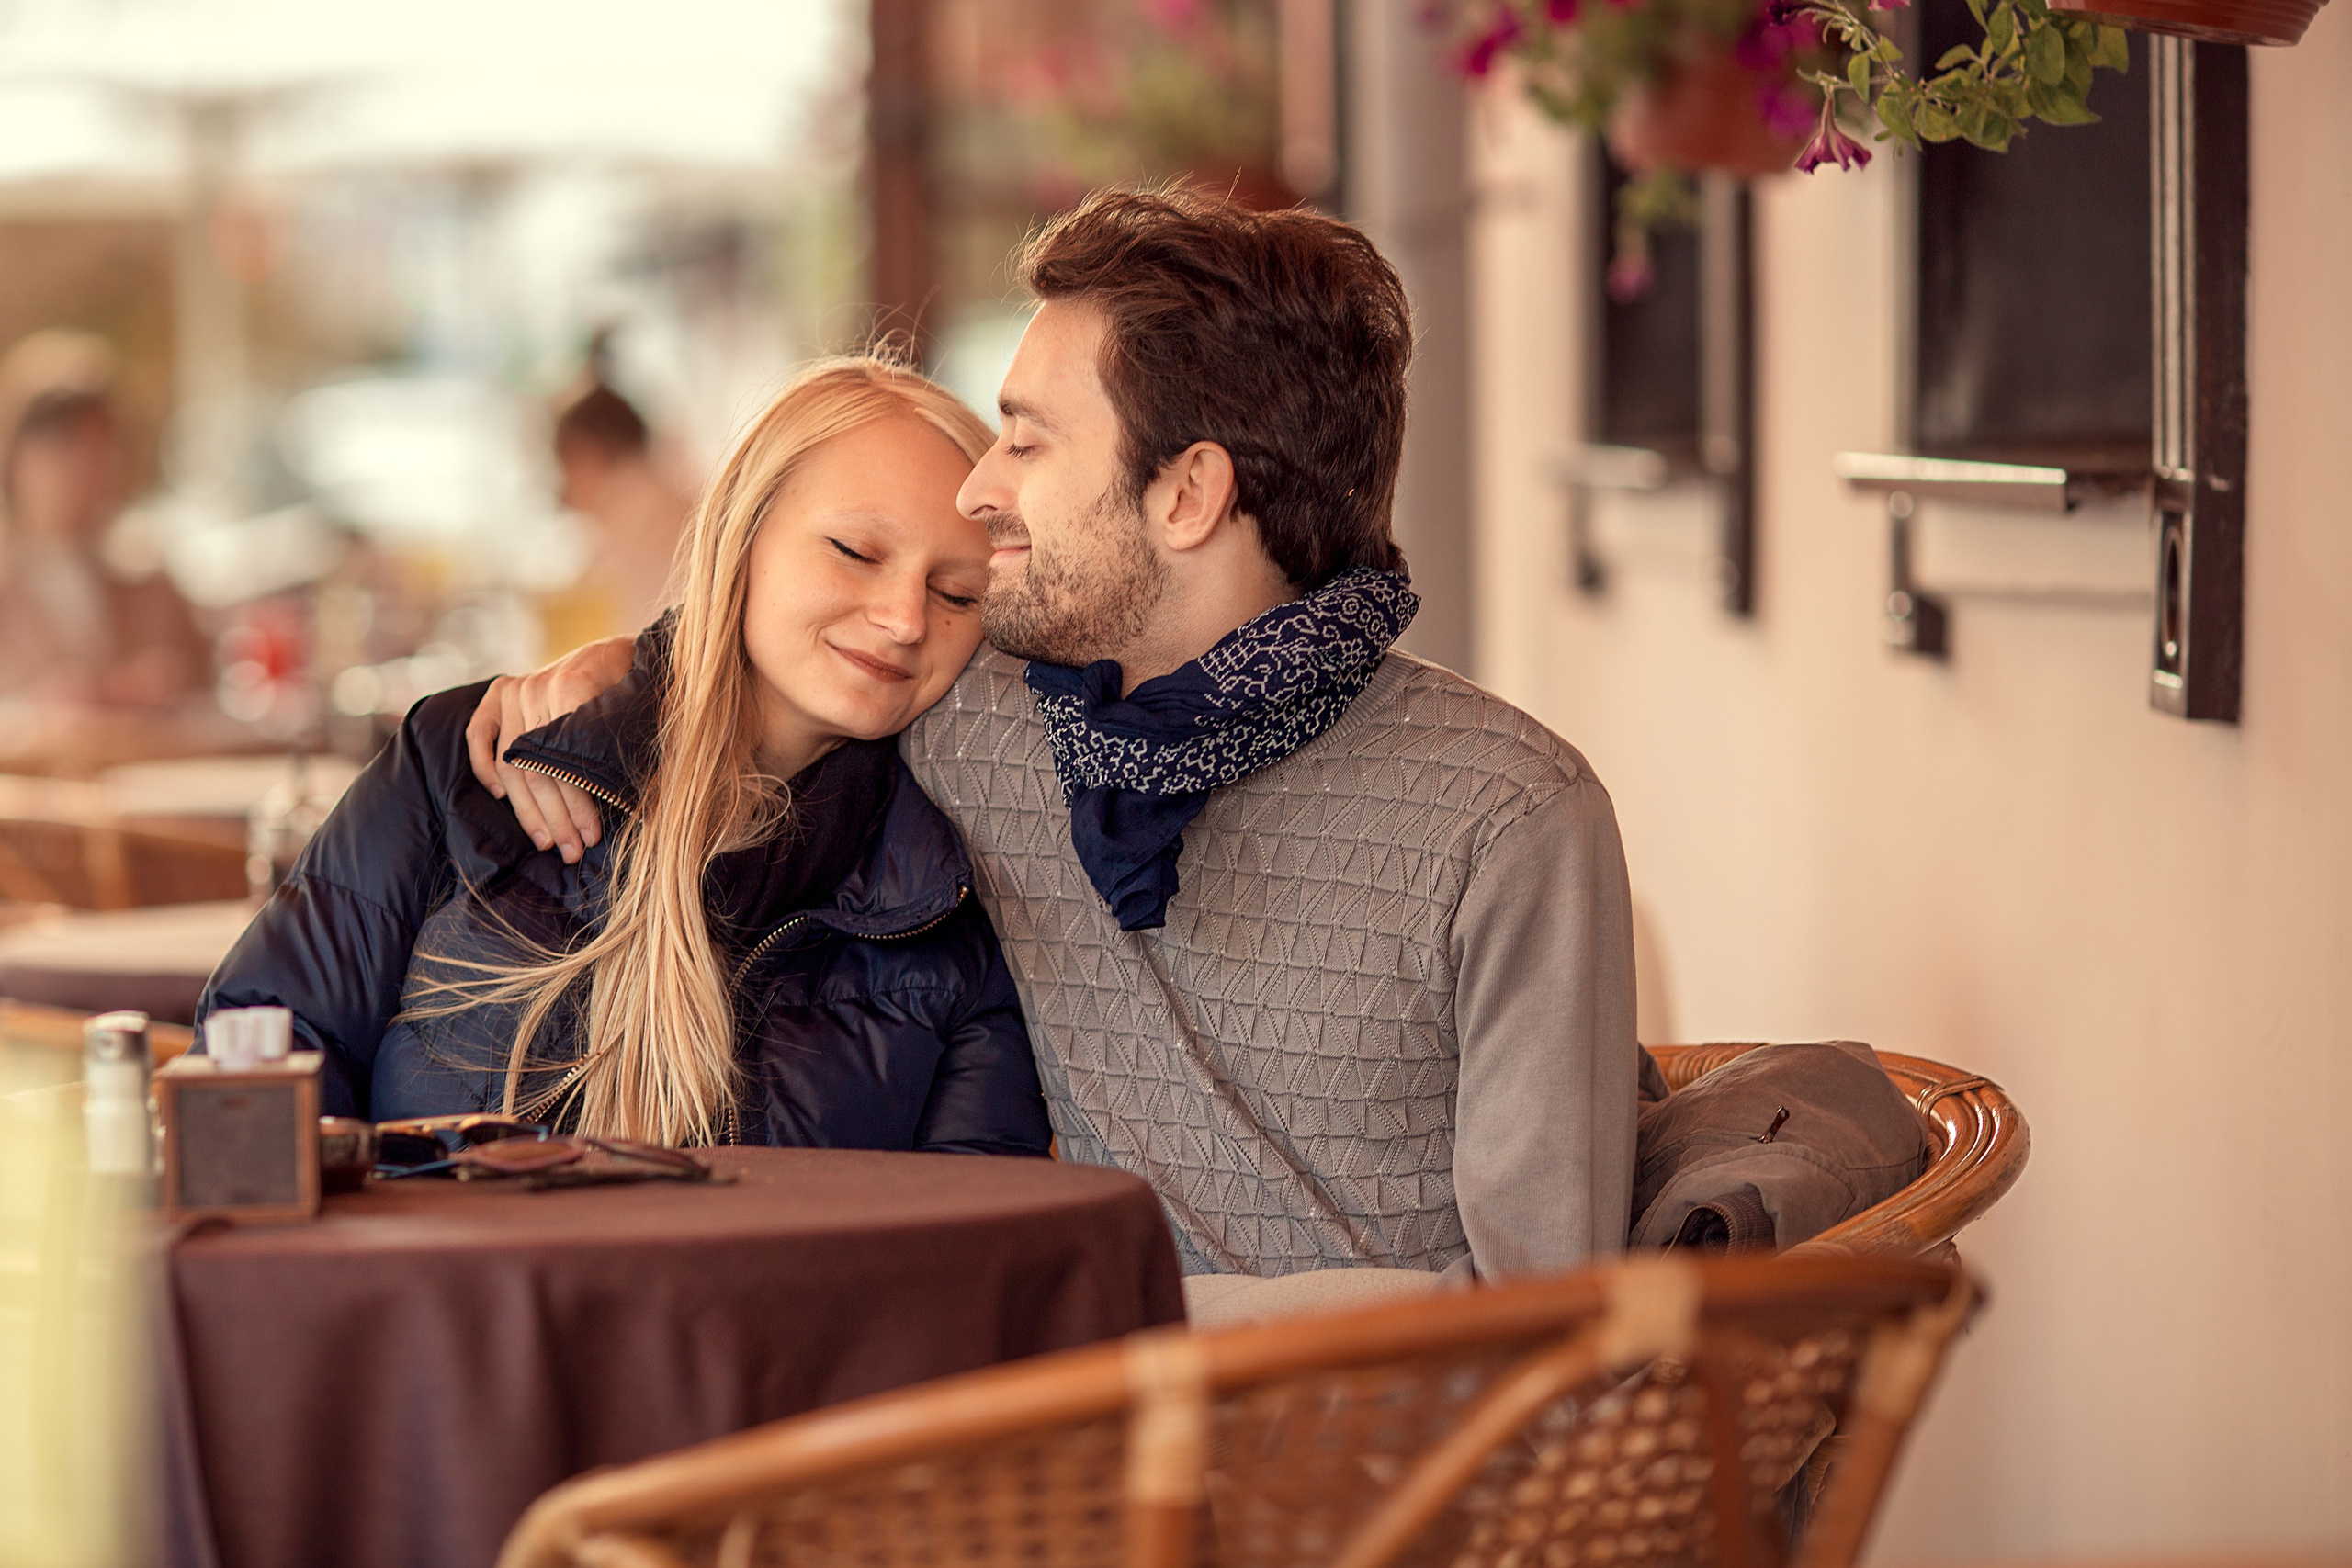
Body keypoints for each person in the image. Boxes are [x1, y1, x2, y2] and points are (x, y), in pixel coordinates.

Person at [471, 189, 1640, 1313]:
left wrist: (1118, 1330)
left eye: (1026, 443)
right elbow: (773, 658)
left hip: (1402, 1481)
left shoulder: (1511, 816)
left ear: (1186, 495)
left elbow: (1553, 1315)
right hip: (1053, 1471)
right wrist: (624, 683)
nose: (979, 490)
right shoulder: (965, 716)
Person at [200, 356, 1048, 1157]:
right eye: (856, 552)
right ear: (739, 536)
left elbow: (962, 1247)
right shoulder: (468, 763)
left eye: (956, 593)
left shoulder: (952, 901)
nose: (905, 617)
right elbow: (259, 1060)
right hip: (452, 1308)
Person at [0, 330, 204, 708]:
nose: (86, 466)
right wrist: (34, 715)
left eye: (103, 444)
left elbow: (218, 694)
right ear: (15, 458)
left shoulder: (151, 583)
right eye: (65, 444)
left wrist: (164, 693)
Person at [549, 368, 692, 639]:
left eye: (566, 467)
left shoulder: (633, 511)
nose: (566, 487)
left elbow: (590, 618)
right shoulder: (667, 493)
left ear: (586, 453)